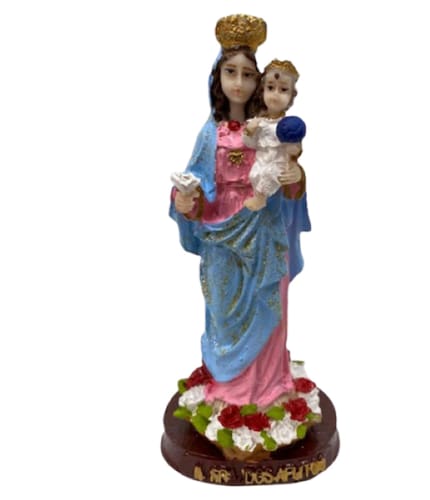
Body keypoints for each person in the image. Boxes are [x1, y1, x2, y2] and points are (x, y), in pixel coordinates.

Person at [170, 14, 310, 409]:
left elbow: (289, 179)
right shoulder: (209, 133)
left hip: (264, 229)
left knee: (267, 302)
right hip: (222, 235)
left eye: (248, 75)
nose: (239, 82)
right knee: (223, 310)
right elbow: (195, 181)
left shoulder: (269, 127)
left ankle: (267, 387)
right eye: (230, 72)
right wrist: (186, 201)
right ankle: (228, 389)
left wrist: (295, 176)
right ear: (217, 77)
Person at [243, 60, 306, 211]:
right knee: (255, 174)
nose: (275, 95)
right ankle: (257, 197)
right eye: (270, 88)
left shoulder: (289, 125)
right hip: (261, 159)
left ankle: (260, 200)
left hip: (277, 162)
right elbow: (250, 144)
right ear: (262, 90)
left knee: (268, 174)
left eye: (283, 89)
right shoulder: (259, 122)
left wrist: (293, 149)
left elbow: (296, 149)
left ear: (291, 96)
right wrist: (249, 131)